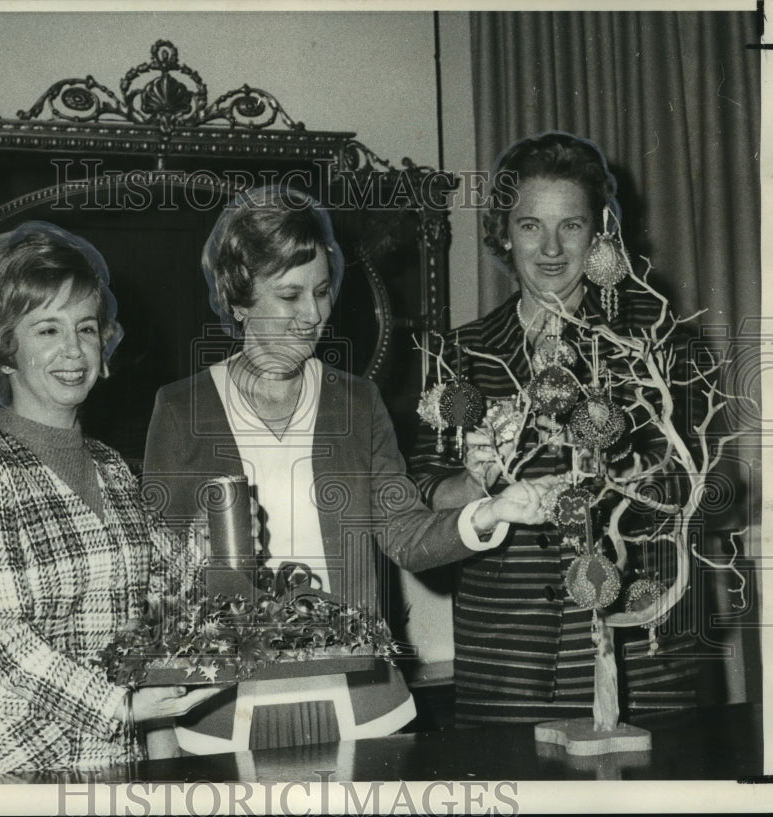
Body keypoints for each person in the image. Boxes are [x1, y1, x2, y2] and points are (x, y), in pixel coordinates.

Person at [142, 186, 554, 755]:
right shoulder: (181, 408)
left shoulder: (357, 403)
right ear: (238, 300)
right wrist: (158, 732)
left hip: (364, 713)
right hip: (222, 720)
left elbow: (406, 534)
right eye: (289, 296)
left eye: (321, 291)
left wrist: (489, 512)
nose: (314, 314)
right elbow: (157, 581)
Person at [409, 131, 699, 726]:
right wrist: (478, 481)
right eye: (529, 225)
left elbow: (691, 489)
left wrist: (609, 455)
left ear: (600, 236)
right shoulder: (459, 354)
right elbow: (423, 503)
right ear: (502, 233)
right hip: (508, 665)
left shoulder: (654, 346)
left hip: (636, 655)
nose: (550, 249)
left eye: (571, 226)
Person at [0, 221, 223, 779]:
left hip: (106, 758)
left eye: (85, 328)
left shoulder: (111, 468)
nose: (73, 350)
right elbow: (3, 639)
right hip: (6, 764)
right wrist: (122, 706)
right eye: (47, 330)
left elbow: (166, 591)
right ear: (6, 349)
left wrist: (221, 541)